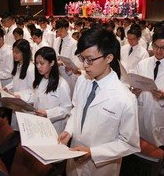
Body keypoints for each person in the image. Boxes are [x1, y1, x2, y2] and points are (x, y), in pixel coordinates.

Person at [58, 28, 140, 176]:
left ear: (108, 58)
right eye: (82, 59)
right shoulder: (83, 81)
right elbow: (76, 110)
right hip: (74, 158)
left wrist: (93, 153)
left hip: (101, 168)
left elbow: (129, 143)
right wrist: (68, 131)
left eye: (90, 60)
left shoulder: (124, 98)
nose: (84, 65)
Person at [33, 46, 72, 134]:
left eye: (42, 63)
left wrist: (48, 113)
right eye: (36, 63)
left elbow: (66, 109)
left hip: (54, 127)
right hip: (39, 124)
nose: (38, 66)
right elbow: (37, 98)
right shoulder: (40, 80)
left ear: (52, 63)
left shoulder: (62, 85)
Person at [4, 39, 35, 129]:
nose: (14, 55)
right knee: (17, 127)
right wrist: (7, 87)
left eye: (17, 52)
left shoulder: (30, 69)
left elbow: (33, 90)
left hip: (25, 103)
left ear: (24, 53)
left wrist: (19, 95)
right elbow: (15, 81)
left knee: (24, 128)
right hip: (18, 102)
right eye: (13, 52)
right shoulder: (19, 65)